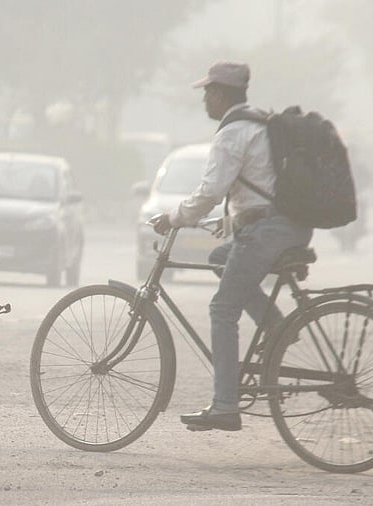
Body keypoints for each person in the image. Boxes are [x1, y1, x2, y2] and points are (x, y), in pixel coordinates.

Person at [153, 62, 313, 431]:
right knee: (220, 257)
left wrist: (174, 217)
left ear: (222, 94)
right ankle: (276, 325)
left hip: (267, 231)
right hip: (287, 227)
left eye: (208, 91)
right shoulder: (260, 124)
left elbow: (210, 191)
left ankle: (225, 405)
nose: (205, 99)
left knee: (223, 309)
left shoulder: (233, 132)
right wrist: (223, 222)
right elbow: (257, 190)